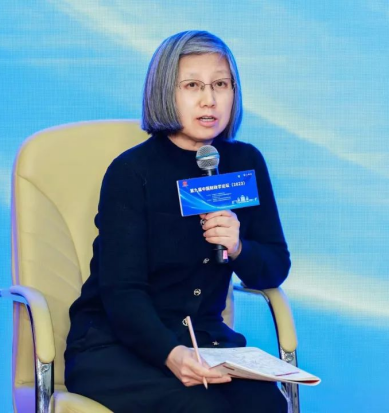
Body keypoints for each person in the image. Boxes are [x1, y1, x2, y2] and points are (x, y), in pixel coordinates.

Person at [64, 30, 291, 413]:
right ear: (164, 93)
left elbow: (274, 267)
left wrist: (239, 247)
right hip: (117, 344)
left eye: (221, 84)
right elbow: (122, 292)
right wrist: (170, 353)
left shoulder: (244, 162)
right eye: (192, 86)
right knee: (199, 408)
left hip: (204, 339)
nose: (209, 99)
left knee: (266, 404)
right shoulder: (132, 172)